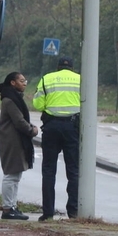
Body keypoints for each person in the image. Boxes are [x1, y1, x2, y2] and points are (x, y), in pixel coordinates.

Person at [31, 56, 80, 221]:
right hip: (72, 128)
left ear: (58, 67)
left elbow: (38, 104)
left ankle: (48, 213)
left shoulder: (47, 78)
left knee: (49, 170)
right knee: (73, 171)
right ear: (72, 68)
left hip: (51, 127)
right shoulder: (80, 79)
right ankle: (73, 212)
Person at [0, 72, 39, 220]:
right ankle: (7, 209)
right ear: (13, 83)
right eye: (21, 81)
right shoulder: (9, 100)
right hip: (12, 141)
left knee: (16, 175)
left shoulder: (13, 97)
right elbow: (19, 121)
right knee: (11, 175)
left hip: (16, 140)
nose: (25, 83)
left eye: (25, 80)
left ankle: (12, 206)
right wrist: (31, 130)